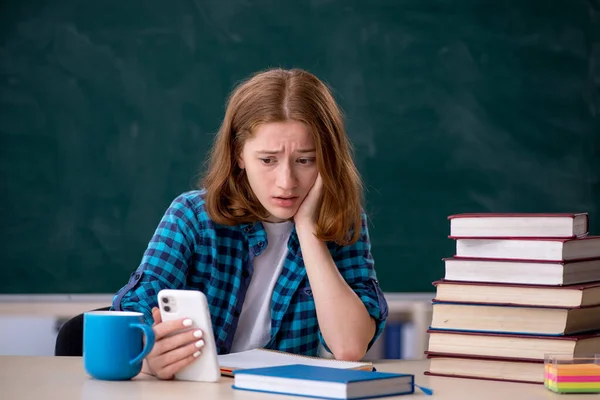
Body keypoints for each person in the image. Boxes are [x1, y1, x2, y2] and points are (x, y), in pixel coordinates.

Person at [111, 68, 389, 380]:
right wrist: (148, 359)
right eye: (268, 160)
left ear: (328, 160)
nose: (286, 183)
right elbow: (131, 316)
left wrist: (309, 231)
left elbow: (349, 347)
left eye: (306, 160)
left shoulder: (344, 223)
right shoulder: (192, 216)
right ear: (238, 154)